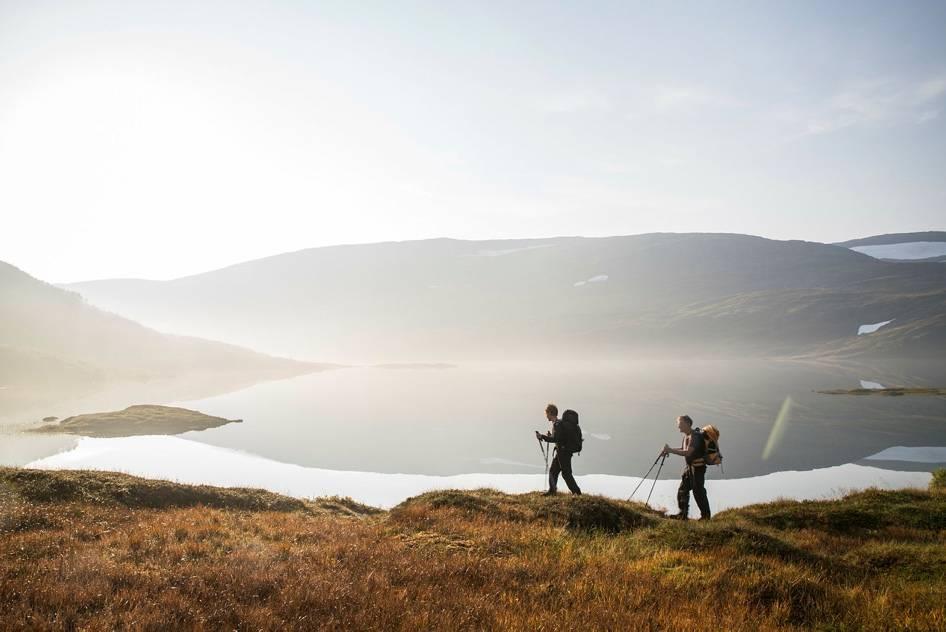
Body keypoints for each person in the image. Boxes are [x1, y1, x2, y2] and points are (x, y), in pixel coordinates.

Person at [661, 414, 711, 520]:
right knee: (683, 490)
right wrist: (669, 450)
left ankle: (706, 517)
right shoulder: (687, 436)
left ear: (688, 424)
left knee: (698, 492)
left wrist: (670, 450)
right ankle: (682, 515)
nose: (678, 426)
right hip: (690, 467)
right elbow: (682, 448)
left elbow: (688, 452)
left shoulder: (695, 436)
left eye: (680, 424)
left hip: (698, 468)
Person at [536, 405, 582, 496]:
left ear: (550, 413)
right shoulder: (558, 423)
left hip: (563, 453)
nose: (546, 416)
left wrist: (542, 437)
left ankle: (577, 493)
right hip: (563, 452)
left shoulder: (558, 424)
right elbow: (558, 438)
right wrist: (549, 436)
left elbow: (556, 439)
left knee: (566, 474)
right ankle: (552, 491)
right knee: (554, 471)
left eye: (547, 414)